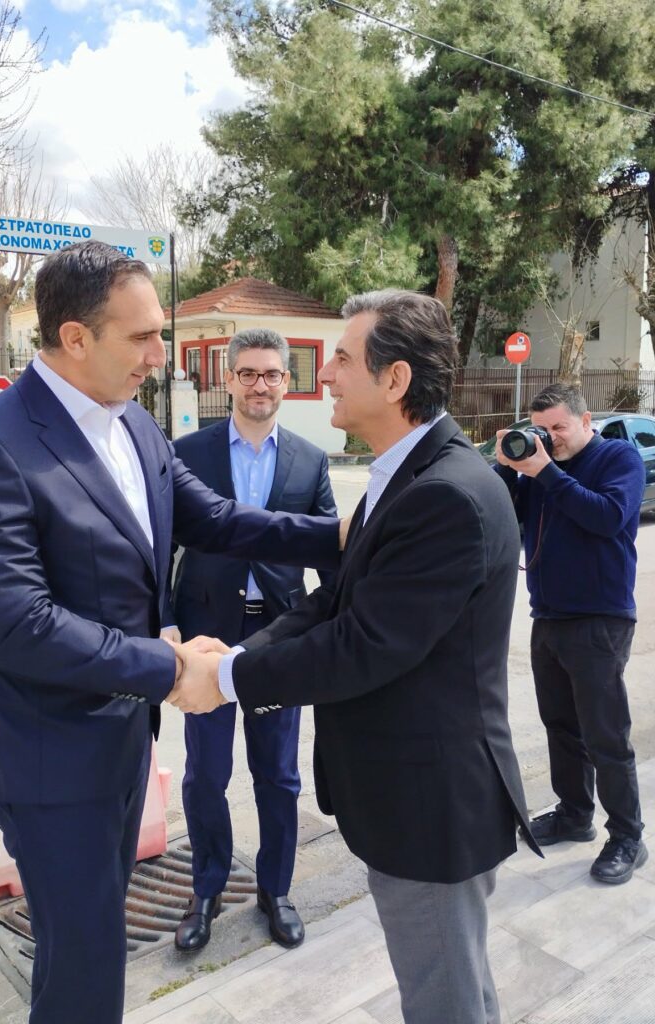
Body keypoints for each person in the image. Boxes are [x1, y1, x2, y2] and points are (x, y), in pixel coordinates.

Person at [0, 241, 344, 1024]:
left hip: (121, 738)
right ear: (75, 337)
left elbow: (217, 519)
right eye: (144, 336)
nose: (161, 356)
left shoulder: (133, 425)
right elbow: (15, 624)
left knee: (91, 951)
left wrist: (340, 537)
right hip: (49, 755)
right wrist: (170, 668)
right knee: (84, 962)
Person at [169, 289, 541, 1024]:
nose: (326, 375)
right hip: (407, 795)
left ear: (394, 380)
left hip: (431, 808)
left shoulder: (445, 495)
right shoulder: (403, 476)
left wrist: (229, 677)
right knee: (454, 990)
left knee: (444, 1000)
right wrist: (235, 658)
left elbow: (361, 645)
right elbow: (330, 603)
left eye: (341, 358)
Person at [171, 327, 337, 952]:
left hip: (277, 637)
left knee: (278, 774)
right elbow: (161, 546)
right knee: (205, 775)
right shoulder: (188, 453)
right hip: (206, 636)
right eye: (248, 373)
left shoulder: (310, 460)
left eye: (271, 374)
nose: (259, 385)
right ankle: (207, 889)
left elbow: (330, 550)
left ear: (286, 382)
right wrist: (164, 623)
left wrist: (339, 626)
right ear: (229, 379)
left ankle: (277, 889)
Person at [494, 383, 647, 884]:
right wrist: (507, 467)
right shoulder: (541, 467)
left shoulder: (617, 458)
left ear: (585, 422)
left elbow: (608, 518)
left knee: (606, 735)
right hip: (548, 615)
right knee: (560, 727)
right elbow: (500, 513)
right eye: (541, 429)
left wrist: (546, 471)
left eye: (559, 427)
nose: (551, 437)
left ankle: (628, 837)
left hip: (600, 617)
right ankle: (575, 815)